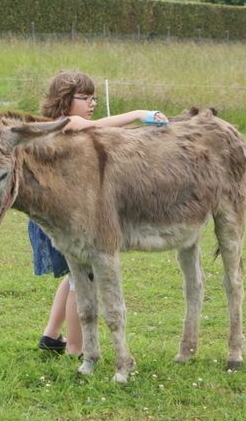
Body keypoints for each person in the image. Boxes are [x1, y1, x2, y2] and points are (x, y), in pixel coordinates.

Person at [31, 71, 168, 356]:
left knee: (72, 276)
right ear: (65, 99)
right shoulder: (69, 122)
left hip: (52, 215)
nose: (91, 103)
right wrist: (141, 114)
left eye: (94, 98)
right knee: (82, 279)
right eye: (84, 98)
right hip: (64, 216)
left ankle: (51, 336)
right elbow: (98, 126)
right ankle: (76, 347)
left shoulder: (52, 126)